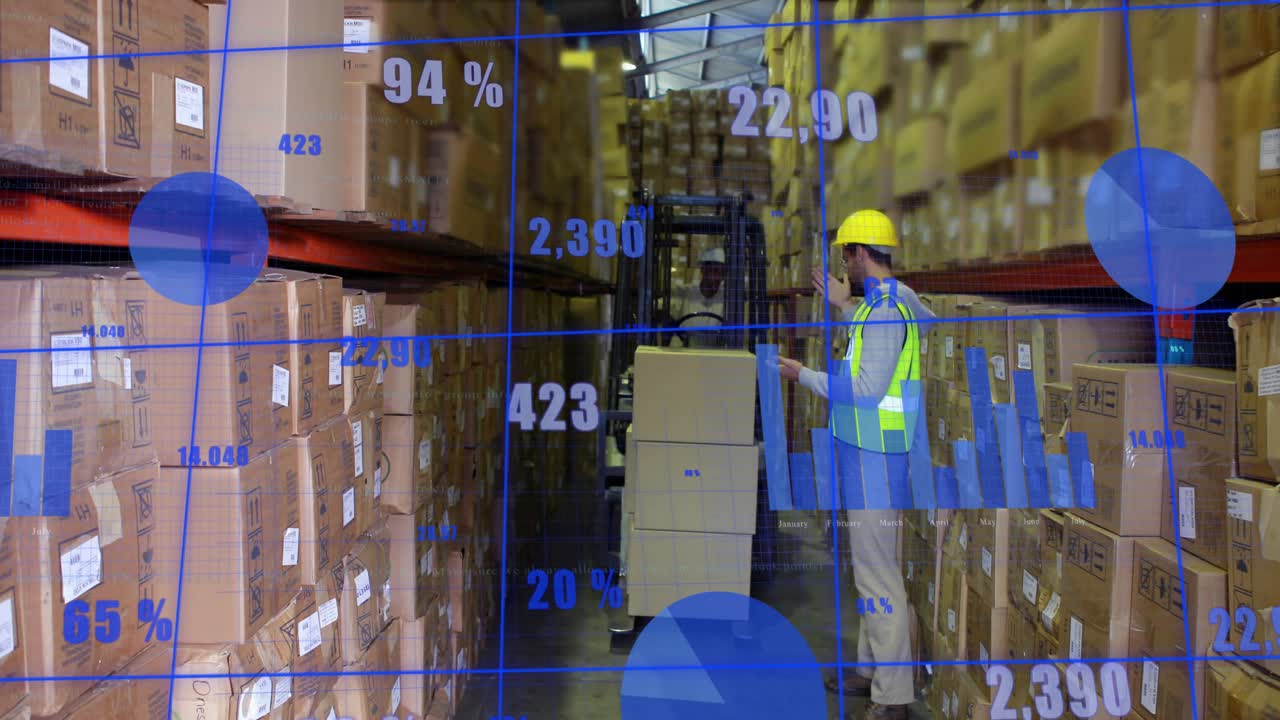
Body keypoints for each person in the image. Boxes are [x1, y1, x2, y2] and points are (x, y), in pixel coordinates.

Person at [777, 209, 935, 720]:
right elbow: (890, 328)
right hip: (868, 456)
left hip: (876, 460)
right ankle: (870, 670)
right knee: (870, 570)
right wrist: (845, 305)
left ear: (860, 253)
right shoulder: (886, 302)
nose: (844, 265)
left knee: (877, 578)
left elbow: (866, 389)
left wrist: (803, 375)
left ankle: (893, 698)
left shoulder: (886, 309)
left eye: (846, 255)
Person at [668, 247, 728, 348]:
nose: (718, 278)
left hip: (715, 355)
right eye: (715, 271)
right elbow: (665, 314)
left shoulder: (727, 300)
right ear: (703, 270)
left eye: (721, 273)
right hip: (685, 352)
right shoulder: (684, 294)